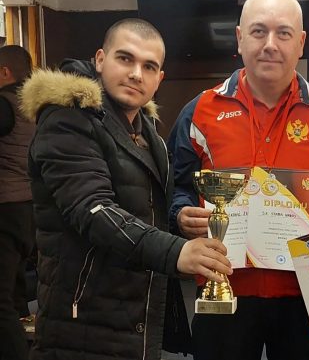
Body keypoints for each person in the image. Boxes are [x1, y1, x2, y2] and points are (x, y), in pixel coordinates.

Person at [168, 0, 309, 360]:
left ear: (301, 42)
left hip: (305, 293)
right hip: (222, 287)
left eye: (283, 33)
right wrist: (180, 214)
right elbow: (177, 185)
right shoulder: (199, 111)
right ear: (240, 38)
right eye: (258, 31)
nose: (270, 44)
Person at [18, 18, 233, 360]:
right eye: (125, 59)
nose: (136, 74)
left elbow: (142, 210)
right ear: (100, 59)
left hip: (134, 316)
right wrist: (176, 251)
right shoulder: (67, 119)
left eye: (149, 66)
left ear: (159, 78)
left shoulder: (148, 133)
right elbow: (93, 210)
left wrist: (178, 221)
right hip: (81, 322)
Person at [0, 45, 35, 360]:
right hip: (29, 209)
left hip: (5, 209)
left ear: (4, 72)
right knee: (16, 295)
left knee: (2, 302)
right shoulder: (36, 106)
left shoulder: (3, 103)